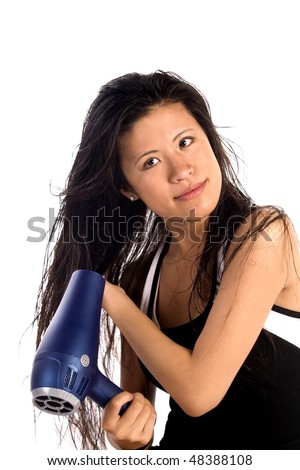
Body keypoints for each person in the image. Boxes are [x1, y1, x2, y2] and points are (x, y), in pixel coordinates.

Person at [34, 70, 300, 450]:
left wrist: (113, 300)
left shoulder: (264, 234)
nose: (182, 170)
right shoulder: (141, 280)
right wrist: (129, 435)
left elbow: (197, 392)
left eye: (186, 142)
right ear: (127, 187)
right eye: (150, 162)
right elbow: (138, 417)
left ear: (209, 137)